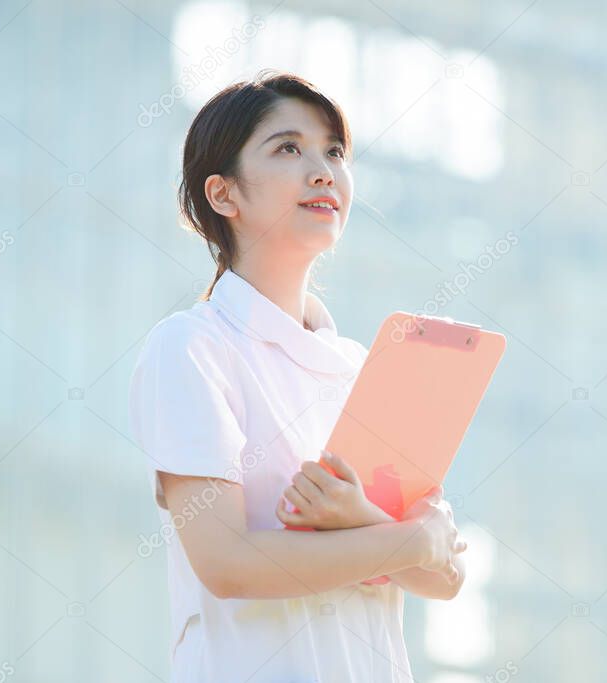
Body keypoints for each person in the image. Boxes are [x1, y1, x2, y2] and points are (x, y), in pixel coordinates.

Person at [127, 69, 467, 683]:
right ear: (224, 194)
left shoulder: (369, 368)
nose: (323, 171)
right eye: (289, 148)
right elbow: (228, 563)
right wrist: (404, 541)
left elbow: (445, 576)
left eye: (334, 152)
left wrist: (363, 518)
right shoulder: (192, 348)